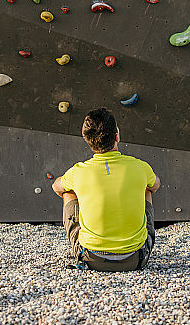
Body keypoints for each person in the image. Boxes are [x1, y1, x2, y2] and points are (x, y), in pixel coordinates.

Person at [52, 107, 161, 271]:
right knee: (147, 189)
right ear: (117, 136)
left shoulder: (78, 171)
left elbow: (56, 186)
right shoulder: (140, 166)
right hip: (136, 259)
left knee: (68, 191)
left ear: (88, 140)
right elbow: (156, 185)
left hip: (91, 259)